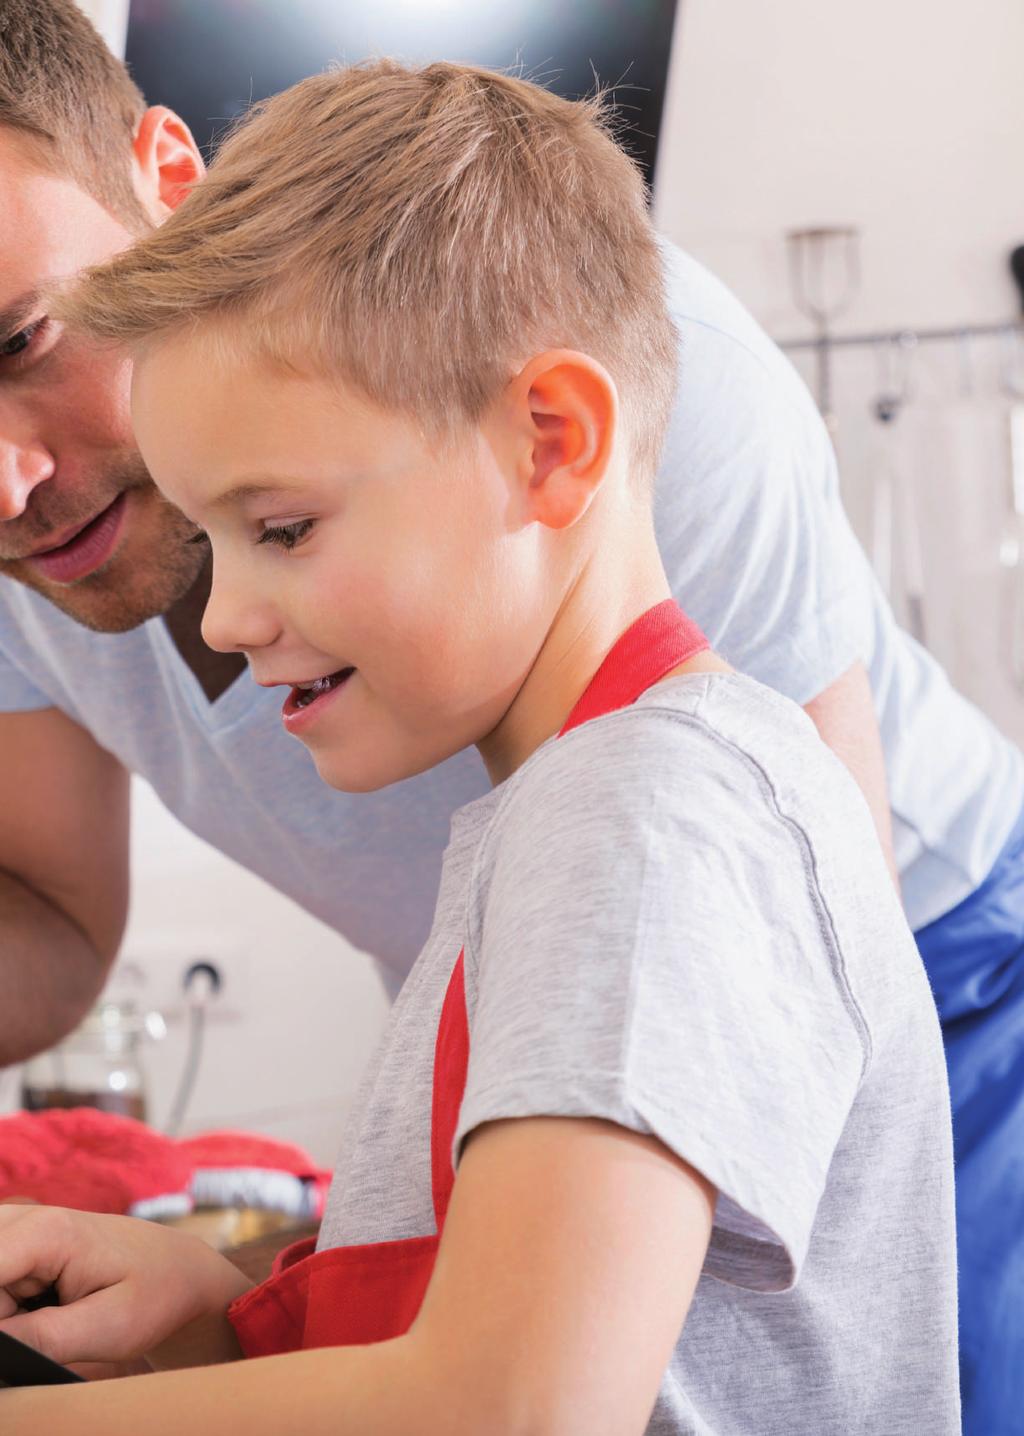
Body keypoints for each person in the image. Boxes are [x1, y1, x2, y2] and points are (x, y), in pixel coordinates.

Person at [0, 5, 1009, 1428]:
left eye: (279, 527)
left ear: (552, 445)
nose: (218, 625)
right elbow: (521, 1318)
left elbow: (516, 1402)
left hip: (969, 953)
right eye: (213, 538)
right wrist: (232, 1309)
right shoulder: (557, 820)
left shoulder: (649, 820)